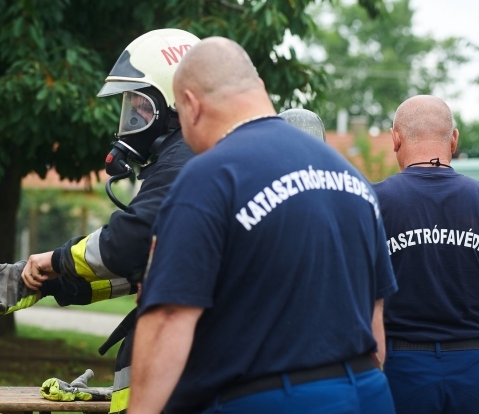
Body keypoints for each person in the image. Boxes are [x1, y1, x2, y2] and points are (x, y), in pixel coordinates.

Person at [129, 36, 397, 414]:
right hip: (368, 392)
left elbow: (169, 318)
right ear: (261, 89)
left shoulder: (209, 177)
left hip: (268, 399)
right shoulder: (352, 179)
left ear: (189, 105)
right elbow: (375, 324)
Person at [0, 28, 200, 414]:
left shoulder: (183, 160)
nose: (132, 121)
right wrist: (57, 286)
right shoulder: (195, 158)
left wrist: (54, 261)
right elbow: (154, 267)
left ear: (173, 105)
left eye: (141, 107)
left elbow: (130, 244)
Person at [372, 95, 479, 414]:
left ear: (395, 139)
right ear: (454, 139)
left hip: (402, 366)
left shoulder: (373, 202)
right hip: (474, 365)